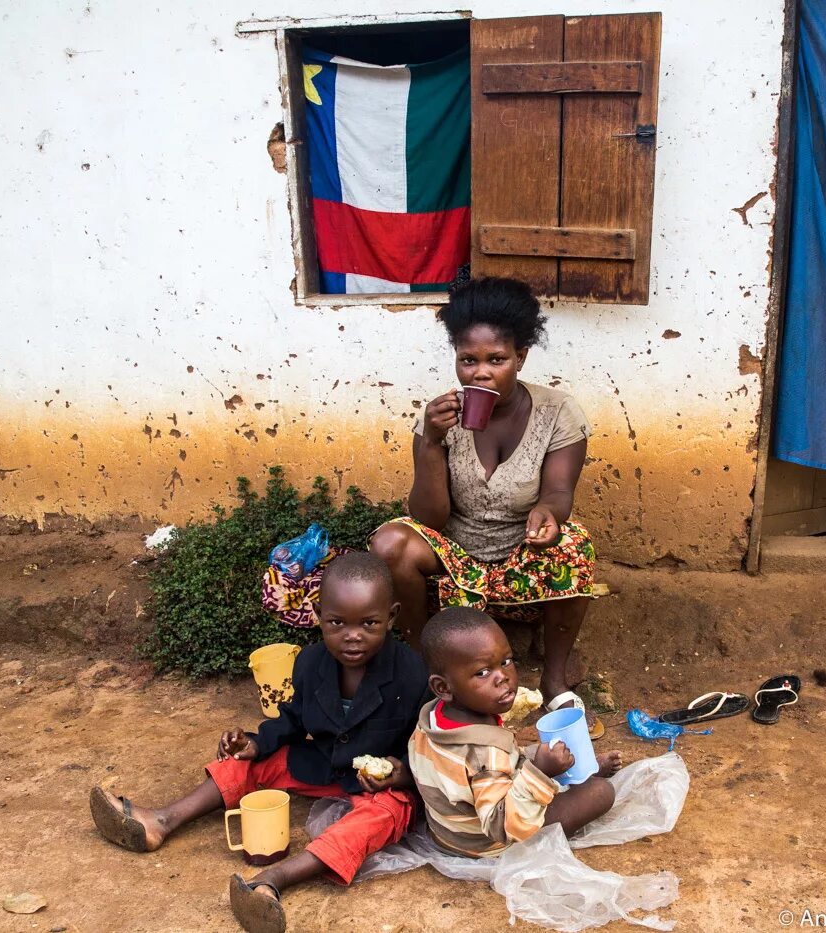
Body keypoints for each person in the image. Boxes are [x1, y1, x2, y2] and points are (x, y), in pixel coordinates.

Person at [87, 552, 429, 933]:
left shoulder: (413, 673)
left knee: (380, 816)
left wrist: (398, 773)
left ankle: (270, 882)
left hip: (384, 787)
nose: (352, 635)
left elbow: (427, 743)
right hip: (326, 763)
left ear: (392, 617)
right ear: (317, 615)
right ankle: (160, 821)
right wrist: (255, 743)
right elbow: (294, 721)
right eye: (337, 623)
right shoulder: (311, 663)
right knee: (250, 761)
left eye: (369, 623)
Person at [370, 276, 601, 733]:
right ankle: (422, 668)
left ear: (520, 357)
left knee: (576, 545)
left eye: (496, 359)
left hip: (522, 550)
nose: (481, 372)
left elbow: (559, 490)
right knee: (390, 542)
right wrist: (432, 441)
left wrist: (549, 515)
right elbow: (429, 518)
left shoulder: (558, 412)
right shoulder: (440, 417)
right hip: (454, 555)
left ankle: (555, 681)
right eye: (468, 360)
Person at [406, 607, 622, 857]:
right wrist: (540, 772)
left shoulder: (429, 719)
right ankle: (581, 774)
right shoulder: (486, 753)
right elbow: (503, 826)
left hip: (449, 833)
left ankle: (579, 770)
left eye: (506, 662)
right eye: (482, 673)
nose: (503, 677)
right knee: (600, 793)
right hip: (489, 843)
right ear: (443, 687)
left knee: (532, 758)